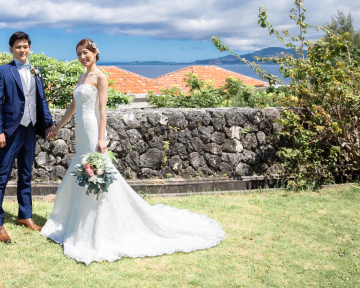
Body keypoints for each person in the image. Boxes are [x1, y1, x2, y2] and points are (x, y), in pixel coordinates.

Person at [40, 38, 226, 264]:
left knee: (97, 172)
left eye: (85, 53)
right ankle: (79, 223)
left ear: (95, 53)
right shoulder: (81, 77)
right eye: (79, 53)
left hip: (92, 129)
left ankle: (101, 225)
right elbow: (74, 106)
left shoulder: (100, 77)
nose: (82, 57)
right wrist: (58, 126)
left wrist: (101, 137)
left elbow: (103, 109)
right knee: (82, 170)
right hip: (81, 131)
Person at [0, 31, 58, 243]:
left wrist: (48, 124)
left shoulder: (36, 71)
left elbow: (41, 100)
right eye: (18, 46)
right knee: (2, 176)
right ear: (11, 49)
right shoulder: (3, 71)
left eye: (25, 46)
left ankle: (25, 216)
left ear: (29, 48)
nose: (22, 50)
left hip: (31, 129)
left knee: (26, 175)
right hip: (11, 130)